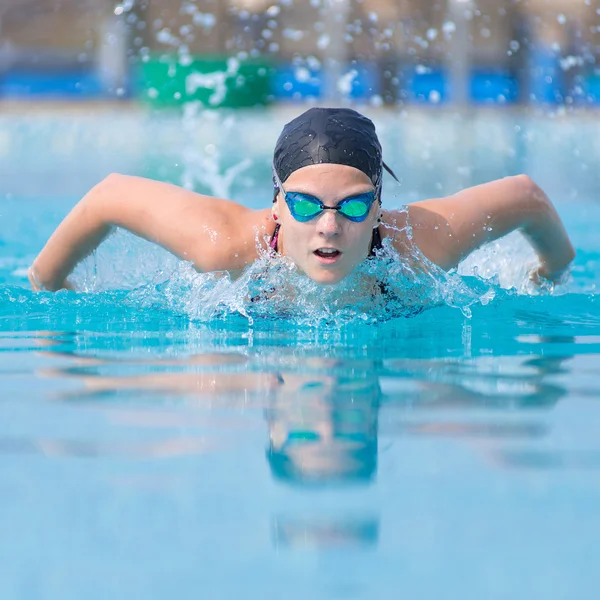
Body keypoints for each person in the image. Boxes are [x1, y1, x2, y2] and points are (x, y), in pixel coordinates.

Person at [28, 107, 575, 293]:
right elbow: (108, 196)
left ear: (379, 210)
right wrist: (49, 285)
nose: (329, 229)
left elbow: (526, 196)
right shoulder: (225, 247)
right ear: (276, 208)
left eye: (355, 206)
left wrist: (546, 275)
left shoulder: (416, 245)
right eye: (307, 206)